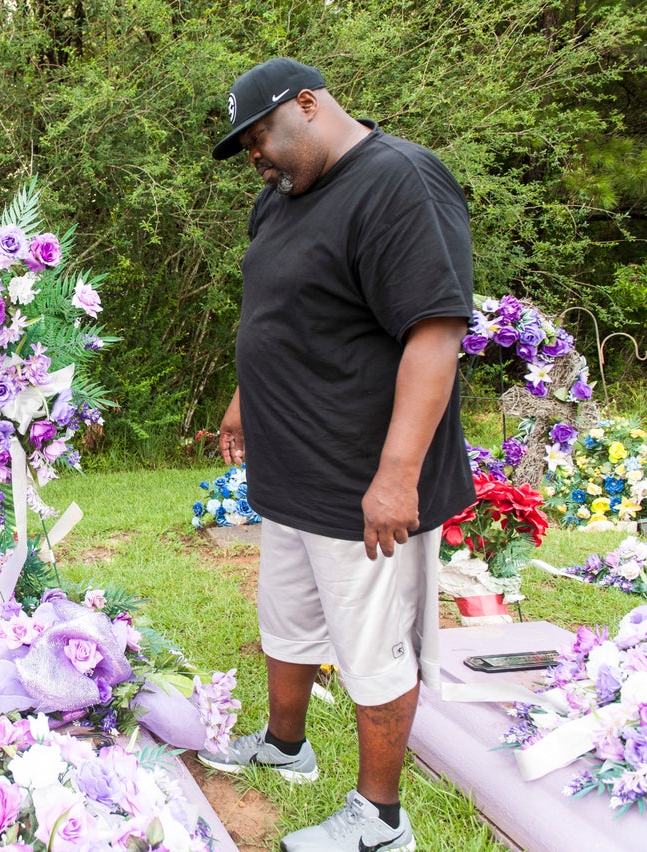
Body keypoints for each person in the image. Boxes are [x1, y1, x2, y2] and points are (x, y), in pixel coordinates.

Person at [198, 57, 476, 852]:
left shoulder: (400, 183)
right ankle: (287, 748)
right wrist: (245, 397)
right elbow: (277, 307)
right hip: (291, 474)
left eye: (259, 137)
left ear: (310, 106)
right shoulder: (279, 199)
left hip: (363, 481)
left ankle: (380, 821)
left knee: (372, 649)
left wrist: (396, 478)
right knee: (287, 620)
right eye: (245, 145)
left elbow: (434, 333)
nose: (255, 156)